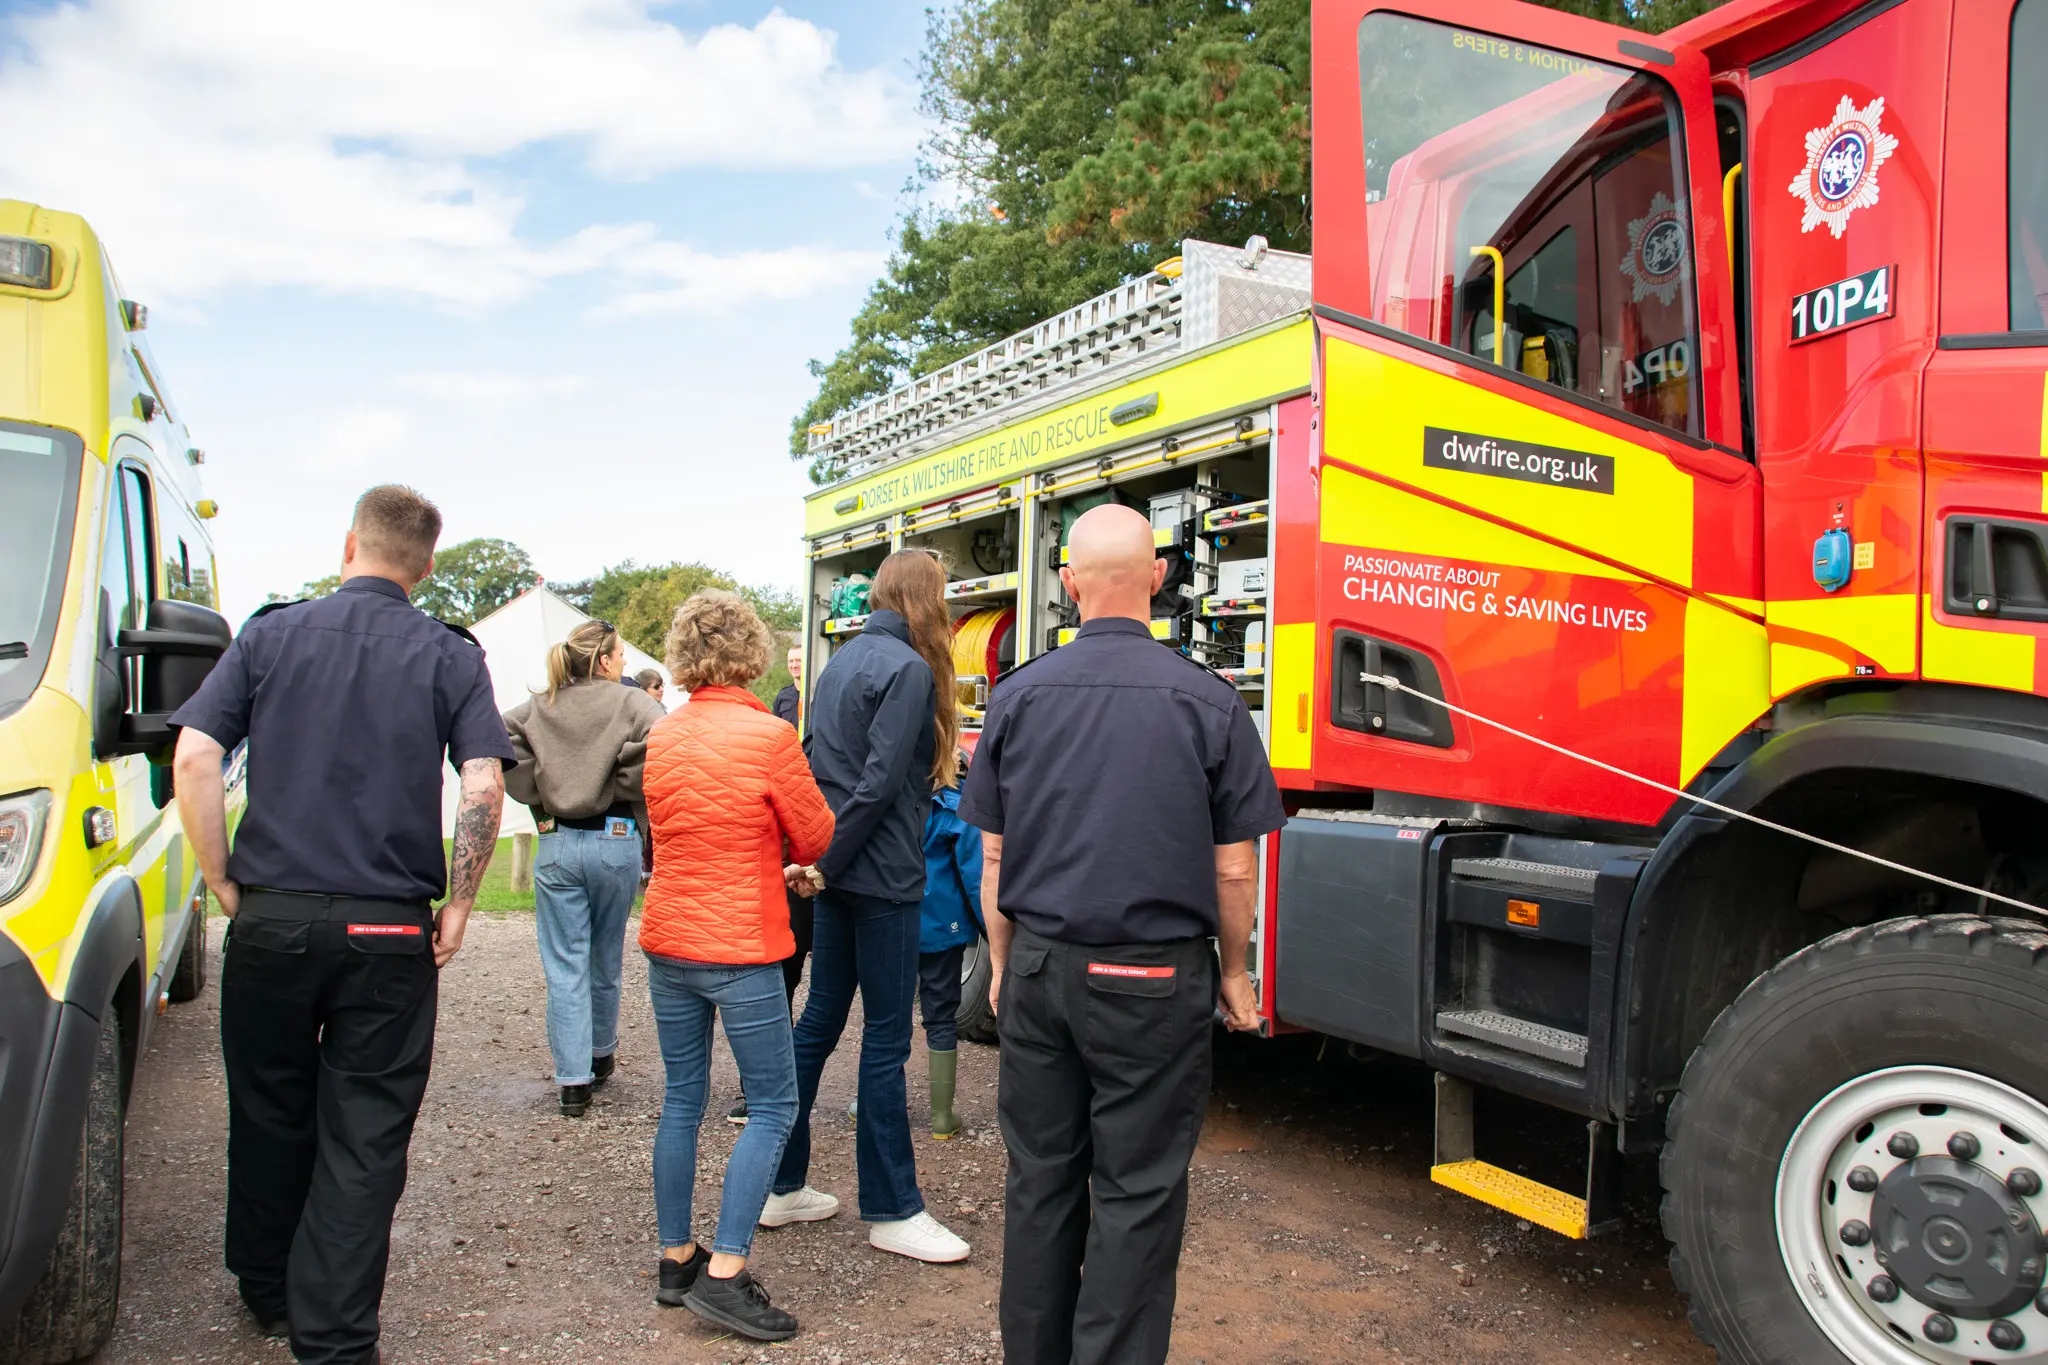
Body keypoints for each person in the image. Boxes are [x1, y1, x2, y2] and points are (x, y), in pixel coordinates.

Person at [170, 485, 513, 1365]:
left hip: (274, 915)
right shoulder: (449, 653)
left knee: (269, 1105)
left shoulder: (271, 634)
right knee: (365, 1134)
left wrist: (221, 881)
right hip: (389, 931)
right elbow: (483, 782)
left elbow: (197, 754)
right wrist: (462, 902)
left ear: (348, 543)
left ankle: (265, 1283)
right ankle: (333, 1340)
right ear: (427, 565)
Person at [959, 503, 1285, 1365]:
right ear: (1158, 577)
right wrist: (1238, 975)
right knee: (1137, 1194)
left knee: (1040, 1184)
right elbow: (1234, 869)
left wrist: (1001, 964)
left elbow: (993, 857)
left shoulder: (1017, 697)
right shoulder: (1210, 703)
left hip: (1039, 968)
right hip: (1150, 982)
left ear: (1067, 585)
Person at [638, 590, 835, 1342]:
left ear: (684, 656)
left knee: (683, 1097)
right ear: (751, 651)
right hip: (741, 944)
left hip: (671, 936)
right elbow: (814, 834)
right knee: (774, 1104)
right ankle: (725, 1269)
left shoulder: (664, 733)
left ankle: (674, 1257)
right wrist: (788, 863)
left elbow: (676, 838)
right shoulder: (770, 734)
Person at [763, 550, 970, 1263]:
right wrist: (824, 863)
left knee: (818, 1022)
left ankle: (780, 1184)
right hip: (877, 876)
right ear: (927, 598)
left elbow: (819, 768)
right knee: (885, 1037)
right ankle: (893, 1209)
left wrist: (820, 860)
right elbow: (882, 783)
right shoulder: (910, 669)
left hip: (844, 873)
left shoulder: (842, 663)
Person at [502, 620, 664, 1117]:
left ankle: (573, 1081)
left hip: (556, 841)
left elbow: (499, 733)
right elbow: (667, 740)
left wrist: (539, 788)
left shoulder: (540, 703)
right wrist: (623, 776)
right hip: (614, 840)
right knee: (604, 950)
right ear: (604, 660)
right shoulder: (632, 701)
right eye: (619, 656)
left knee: (564, 960)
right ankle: (600, 1053)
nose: (623, 665)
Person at [729, 642, 813, 1126]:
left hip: (758, 881)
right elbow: (808, 824)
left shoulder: (671, 733)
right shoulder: (774, 727)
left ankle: (759, 1092)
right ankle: (764, 1094)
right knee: (781, 982)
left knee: (779, 985)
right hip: (779, 876)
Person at [918, 756, 982, 1139]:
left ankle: (870, 1101)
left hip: (893, 925)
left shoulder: (887, 798)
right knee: (940, 1016)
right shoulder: (955, 806)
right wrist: (989, 929)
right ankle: (941, 1117)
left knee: (884, 1019)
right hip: (943, 928)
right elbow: (974, 875)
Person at [771, 644, 802, 729]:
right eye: (791, 661)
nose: (794, 665)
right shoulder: (782, 696)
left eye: (799, 660)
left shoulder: (817, 695)